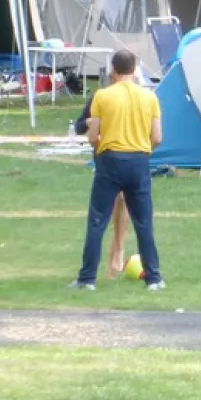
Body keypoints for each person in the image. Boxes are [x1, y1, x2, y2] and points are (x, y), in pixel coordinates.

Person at [72, 49, 165, 290]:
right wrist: (143, 149)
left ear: (113, 70)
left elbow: (92, 135)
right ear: (135, 70)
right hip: (138, 160)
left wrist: (104, 147)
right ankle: (154, 278)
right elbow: (157, 136)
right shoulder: (150, 97)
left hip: (110, 159)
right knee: (144, 222)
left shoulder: (103, 96)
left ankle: (87, 278)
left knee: (97, 221)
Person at [73, 95, 132, 279]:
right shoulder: (99, 98)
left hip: (128, 154)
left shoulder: (134, 98)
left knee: (122, 201)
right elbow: (79, 126)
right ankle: (102, 264)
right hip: (105, 157)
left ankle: (118, 254)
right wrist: (89, 122)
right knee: (105, 209)